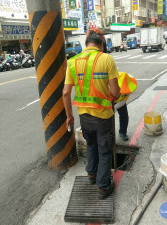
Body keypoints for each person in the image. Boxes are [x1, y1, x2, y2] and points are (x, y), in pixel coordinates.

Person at [63, 28, 120, 200]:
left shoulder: (72, 62)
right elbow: (116, 93)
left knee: (91, 145)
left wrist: (69, 116)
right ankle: (103, 187)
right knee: (104, 151)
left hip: (84, 117)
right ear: (101, 45)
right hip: (103, 117)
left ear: (85, 44)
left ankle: (91, 175)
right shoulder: (106, 59)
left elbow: (65, 93)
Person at [114, 72, 137, 141]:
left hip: (120, 100)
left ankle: (122, 132)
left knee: (124, 116)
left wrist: (113, 108)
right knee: (106, 119)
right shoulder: (111, 83)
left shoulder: (130, 85)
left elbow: (123, 102)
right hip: (109, 99)